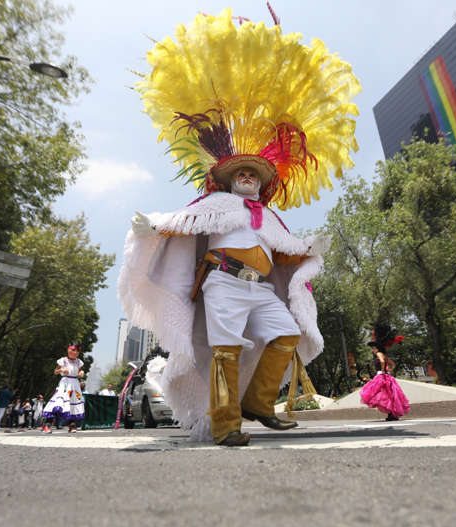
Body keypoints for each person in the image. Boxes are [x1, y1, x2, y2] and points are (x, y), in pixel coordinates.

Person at [119, 10, 359, 446]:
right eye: (241, 173)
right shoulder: (212, 203)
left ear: (262, 182)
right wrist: (150, 225)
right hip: (223, 283)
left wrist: (308, 249)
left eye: (255, 174)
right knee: (225, 351)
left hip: (261, 288)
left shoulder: (269, 217)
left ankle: (257, 403)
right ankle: (226, 424)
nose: (248, 177)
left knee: (286, 333)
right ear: (228, 178)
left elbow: (284, 253)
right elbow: (179, 224)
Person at [359, 325, 409, 421]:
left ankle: (391, 414)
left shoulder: (379, 354)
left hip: (381, 376)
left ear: (377, 348)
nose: (373, 350)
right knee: (389, 395)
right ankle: (392, 414)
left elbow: (382, 361)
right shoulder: (384, 355)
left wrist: (382, 370)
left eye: (373, 348)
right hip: (387, 376)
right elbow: (392, 364)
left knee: (376, 393)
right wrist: (389, 370)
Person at [41, 343, 85, 433]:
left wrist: (81, 373)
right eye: (73, 350)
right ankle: (47, 424)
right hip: (64, 384)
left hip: (75, 385)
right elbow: (55, 371)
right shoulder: (63, 360)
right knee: (58, 402)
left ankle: (72, 425)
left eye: (77, 351)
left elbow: (80, 372)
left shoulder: (79, 362)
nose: (75, 352)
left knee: (73, 403)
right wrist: (61, 370)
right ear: (68, 350)